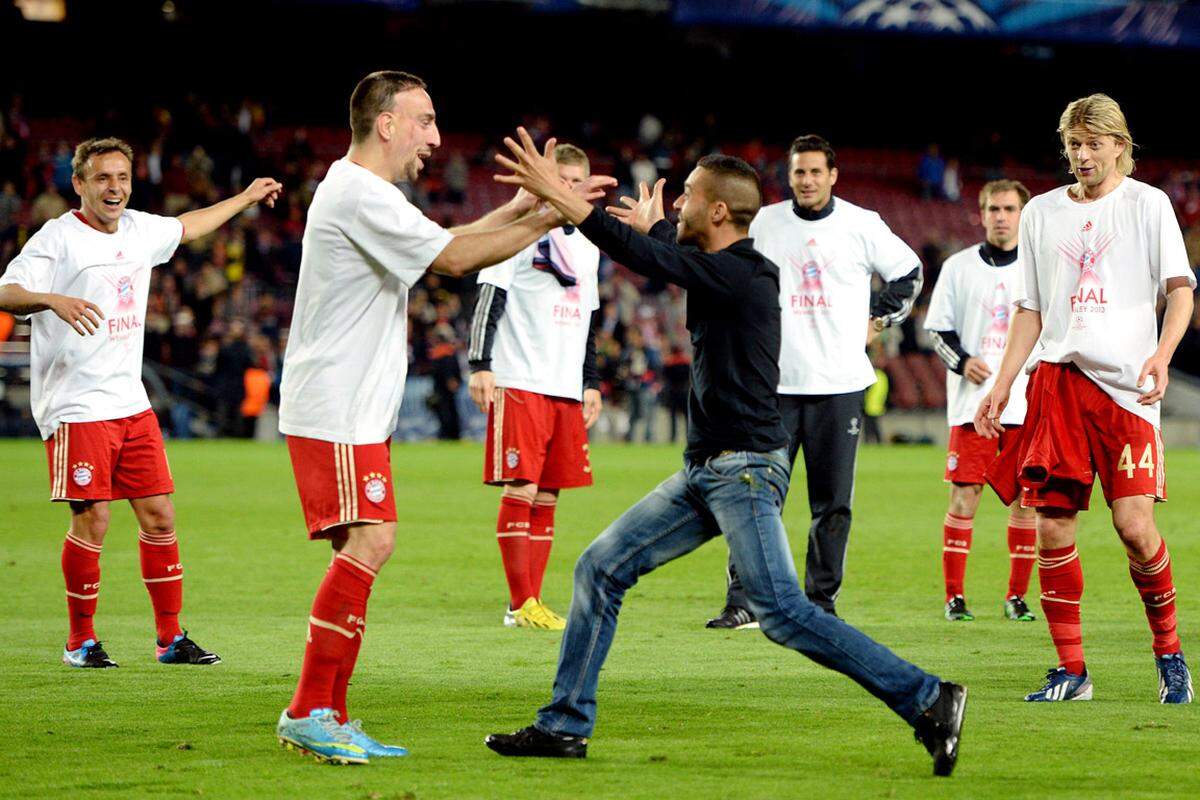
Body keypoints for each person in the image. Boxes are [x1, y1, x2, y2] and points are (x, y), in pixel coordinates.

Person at [484, 132, 966, 777]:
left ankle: (929, 697)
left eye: (687, 197)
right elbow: (668, 255)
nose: (677, 202)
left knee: (784, 614)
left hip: (743, 470)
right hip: (706, 470)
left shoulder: (744, 271)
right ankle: (564, 726)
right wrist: (656, 226)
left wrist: (563, 198)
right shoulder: (724, 266)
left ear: (716, 212)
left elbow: (655, 259)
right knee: (599, 570)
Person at [274, 71, 614, 765]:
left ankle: (327, 712)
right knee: (371, 543)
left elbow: (448, 237)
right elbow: (456, 258)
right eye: (425, 120)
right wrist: (550, 212)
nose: (434, 136)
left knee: (362, 548)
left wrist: (524, 207)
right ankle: (309, 708)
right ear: (386, 123)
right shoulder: (359, 192)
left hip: (350, 407)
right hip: (336, 405)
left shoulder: (365, 194)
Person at [0, 136, 281, 669]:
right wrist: (53, 299)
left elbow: (190, 224)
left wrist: (244, 198)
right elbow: (5, 291)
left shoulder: (139, 229)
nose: (115, 188)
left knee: (159, 514)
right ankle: (79, 641)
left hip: (130, 402)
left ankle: (170, 638)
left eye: (123, 178)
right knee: (95, 520)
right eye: (103, 178)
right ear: (79, 184)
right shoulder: (56, 239)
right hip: (77, 404)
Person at [976, 94, 1195, 704]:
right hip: (1058, 384)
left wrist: (1162, 354)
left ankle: (1170, 653)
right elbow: (1031, 309)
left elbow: (1180, 292)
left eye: (1094, 143)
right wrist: (1001, 384)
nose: (1082, 155)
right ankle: (1072, 672)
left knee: (1134, 526)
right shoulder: (1042, 212)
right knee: (1051, 526)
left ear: (1120, 146)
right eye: (1074, 144)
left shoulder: (1149, 206)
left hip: (1126, 389)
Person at [708, 135, 922, 628]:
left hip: (840, 385)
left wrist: (880, 318)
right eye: (799, 172)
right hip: (773, 386)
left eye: (815, 172)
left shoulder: (862, 224)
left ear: (833, 175)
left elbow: (908, 272)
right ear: (789, 175)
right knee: (756, 496)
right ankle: (743, 601)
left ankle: (819, 604)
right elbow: (723, 267)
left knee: (832, 504)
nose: (806, 180)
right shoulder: (764, 222)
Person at [467, 143, 603, 631]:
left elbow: (590, 316)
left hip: (564, 386)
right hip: (519, 376)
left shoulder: (589, 243)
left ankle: (533, 602)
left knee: (548, 497)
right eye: (558, 179)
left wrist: (589, 381)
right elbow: (490, 293)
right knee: (521, 487)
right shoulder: (521, 231)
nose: (565, 189)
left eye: (574, 182)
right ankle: (519, 603)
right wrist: (480, 362)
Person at [924, 179, 1038, 623]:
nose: (1001, 216)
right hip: (972, 404)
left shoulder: (1038, 268)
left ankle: (1017, 597)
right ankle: (955, 598)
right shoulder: (957, 267)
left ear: (1023, 215)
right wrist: (963, 361)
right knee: (964, 496)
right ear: (981, 213)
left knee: (1025, 501)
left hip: (1025, 405)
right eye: (993, 208)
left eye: (1010, 209)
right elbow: (938, 328)